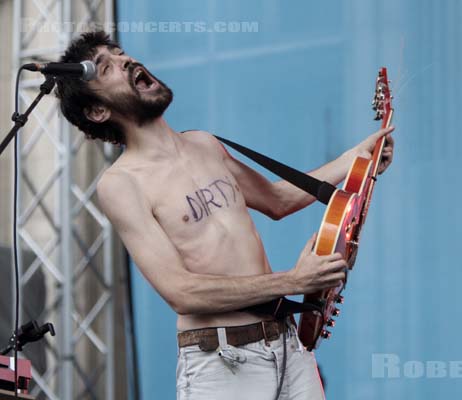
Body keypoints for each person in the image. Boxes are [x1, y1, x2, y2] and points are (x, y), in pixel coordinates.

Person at [55, 31, 394, 400]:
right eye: (107, 68)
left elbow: (277, 199)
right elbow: (181, 292)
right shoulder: (120, 184)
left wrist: (356, 160)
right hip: (221, 360)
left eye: (121, 54)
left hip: (287, 346)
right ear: (97, 111)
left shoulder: (204, 143)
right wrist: (294, 281)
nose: (125, 61)